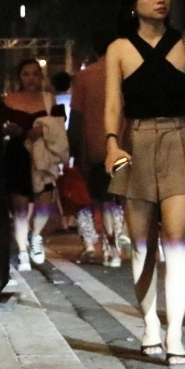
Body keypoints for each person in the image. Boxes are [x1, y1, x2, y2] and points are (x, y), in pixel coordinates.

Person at [104, 0, 185, 366]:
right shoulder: (119, 48)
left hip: (178, 141)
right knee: (141, 245)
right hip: (134, 145)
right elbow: (113, 106)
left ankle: (173, 334)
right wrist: (111, 145)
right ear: (133, 2)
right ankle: (150, 326)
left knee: (176, 241)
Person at [69, 37, 127, 267]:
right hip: (127, 145)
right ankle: (132, 241)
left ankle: (111, 250)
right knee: (125, 199)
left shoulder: (86, 76)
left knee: (105, 201)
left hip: (97, 148)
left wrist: (75, 150)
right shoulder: (128, 72)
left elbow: (76, 118)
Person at [2, 58, 61, 270]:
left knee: (44, 203)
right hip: (18, 155)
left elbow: (60, 127)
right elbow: (0, 127)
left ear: (41, 76)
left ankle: (35, 236)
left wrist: (43, 131)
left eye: (35, 74)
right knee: (19, 209)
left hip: (43, 155)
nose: (30, 78)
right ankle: (23, 251)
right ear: (20, 77)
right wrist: (12, 131)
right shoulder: (9, 100)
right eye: (26, 74)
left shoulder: (50, 99)